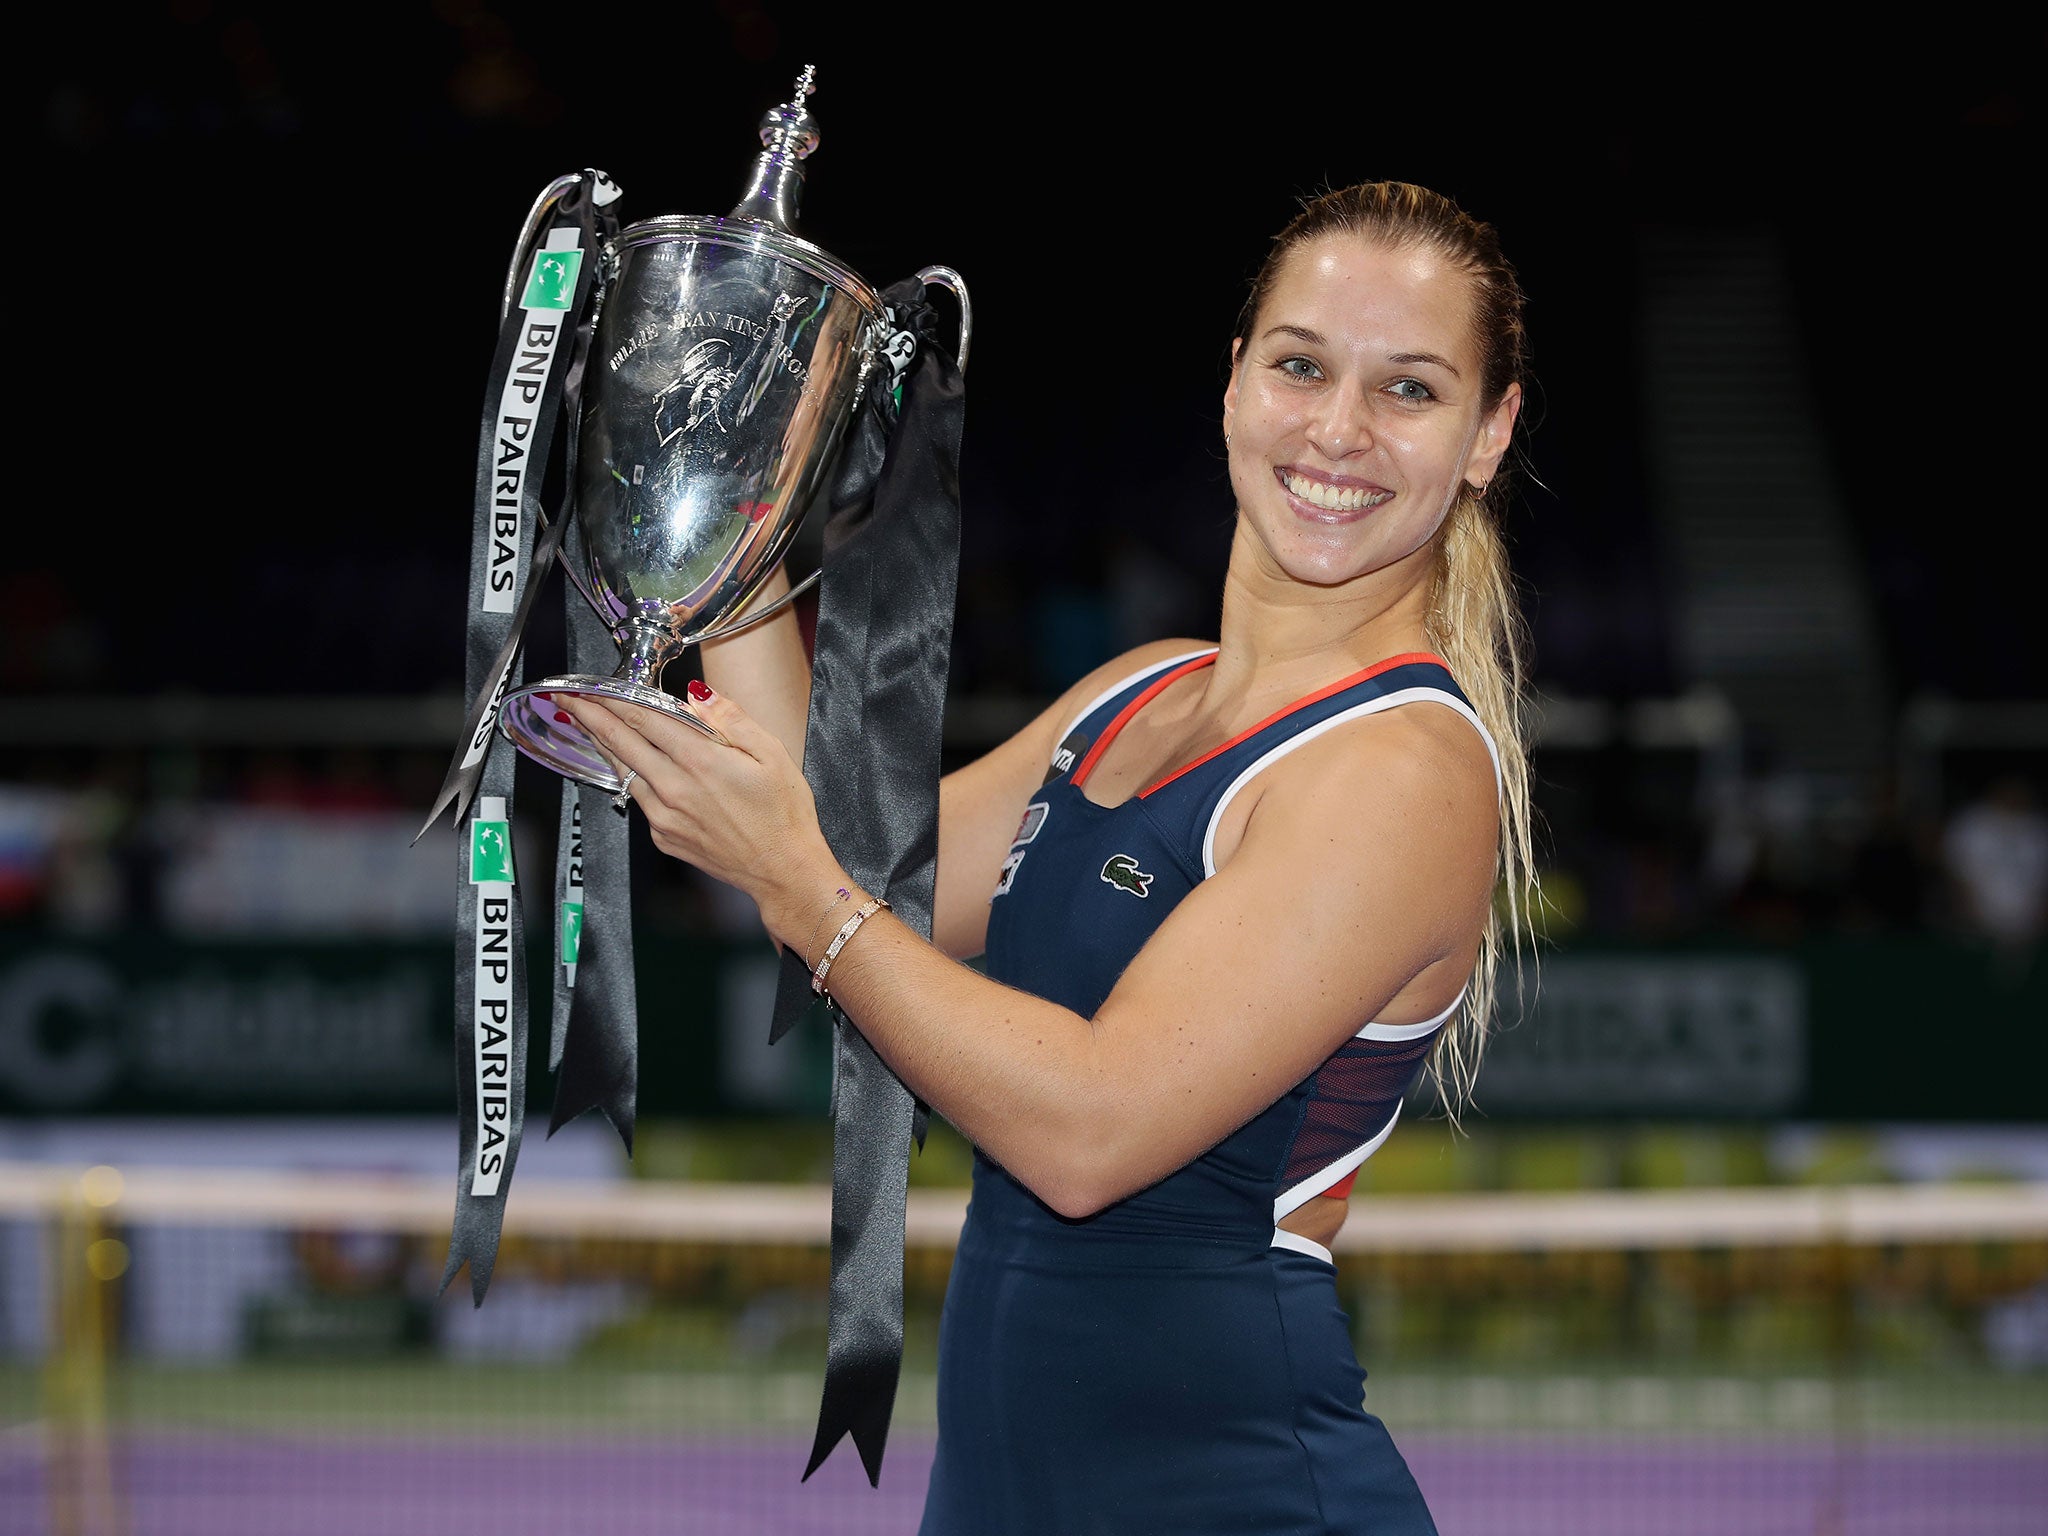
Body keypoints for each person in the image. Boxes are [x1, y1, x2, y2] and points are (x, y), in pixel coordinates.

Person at [561, 179, 1538, 1536]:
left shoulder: (1402, 766)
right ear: (1234, 383)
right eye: (1301, 364)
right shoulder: (1135, 693)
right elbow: (853, 856)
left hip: (1240, 1501)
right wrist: (736, 503)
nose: (1338, 429)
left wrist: (798, 882)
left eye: (1412, 390)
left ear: (1489, 436)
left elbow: (1089, 1133)